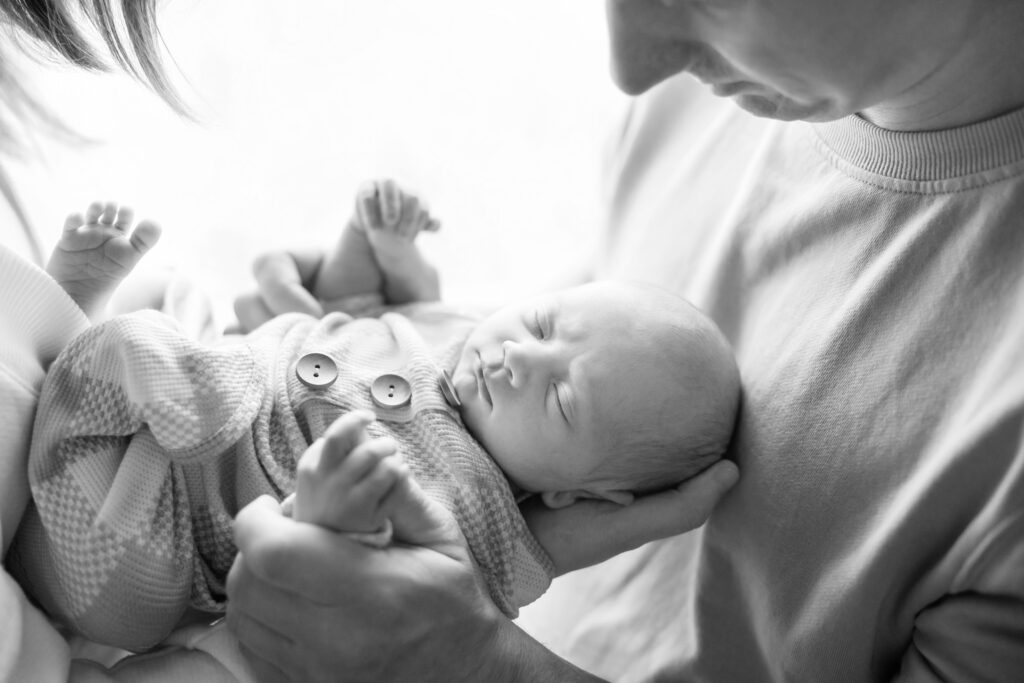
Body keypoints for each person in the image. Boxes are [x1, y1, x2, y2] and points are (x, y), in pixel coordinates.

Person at [224, 0, 1024, 681]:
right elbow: (535, 369)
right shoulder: (727, 90)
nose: (632, 68)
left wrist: (471, 660)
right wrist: (374, 326)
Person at [12, 177, 740, 655]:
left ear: (575, 493)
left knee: (134, 343)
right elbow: (349, 298)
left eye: (560, 400)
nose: (521, 357)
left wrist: (675, 510)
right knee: (170, 295)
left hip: (138, 553)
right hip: (158, 426)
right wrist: (374, 238)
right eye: (542, 324)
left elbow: (374, 588)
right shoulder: (444, 329)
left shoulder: (493, 533)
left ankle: (75, 315)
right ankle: (80, 321)